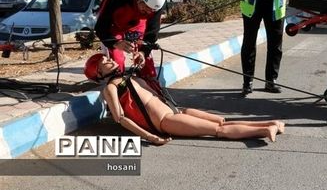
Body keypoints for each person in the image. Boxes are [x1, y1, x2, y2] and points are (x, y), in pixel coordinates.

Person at [84, 53, 285, 144]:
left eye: (108, 58)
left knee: (222, 121)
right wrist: (150, 137)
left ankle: (271, 122)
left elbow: (151, 84)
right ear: (99, 73)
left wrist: (141, 59)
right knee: (217, 130)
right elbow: (121, 119)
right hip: (166, 121)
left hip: (176, 110)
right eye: (104, 63)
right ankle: (264, 130)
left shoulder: (128, 76)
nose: (110, 60)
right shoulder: (111, 88)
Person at [94, 0, 166, 78]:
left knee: (146, 63)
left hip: (138, 23)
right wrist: (115, 43)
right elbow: (100, 27)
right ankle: (118, 84)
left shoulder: (156, 5)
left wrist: (143, 52)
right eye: (145, 9)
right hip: (114, 24)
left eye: (151, 11)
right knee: (117, 60)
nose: (148, 12)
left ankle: (150, 84)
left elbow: (152, 33)